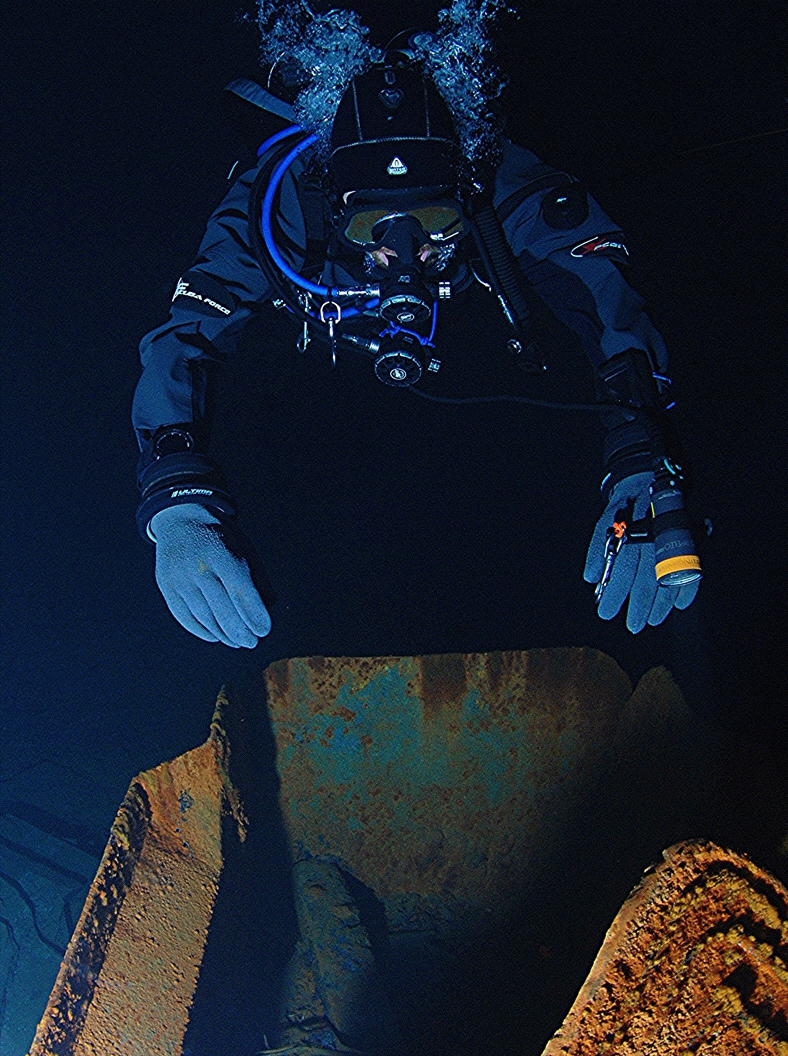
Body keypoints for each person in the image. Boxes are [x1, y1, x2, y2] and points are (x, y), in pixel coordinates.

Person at [132, 44, 702, 647]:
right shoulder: (282, 203)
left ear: (460, 194)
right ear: (335, 205)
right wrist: (176, 502)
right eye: (369, 229)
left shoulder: (498, 180)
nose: (405, 257)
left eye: (433, 222)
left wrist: (643, 460)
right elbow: (183, 339)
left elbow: (610, 302)